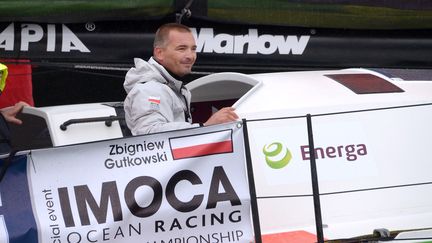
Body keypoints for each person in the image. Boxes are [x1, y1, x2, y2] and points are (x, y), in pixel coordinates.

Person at [124, 23, 238, 135]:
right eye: (181, 49)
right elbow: (148, 134)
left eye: (193, 49)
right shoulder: (150, 89)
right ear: (159, 53)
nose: (190, 56)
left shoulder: (171, 85)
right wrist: (205, 127)